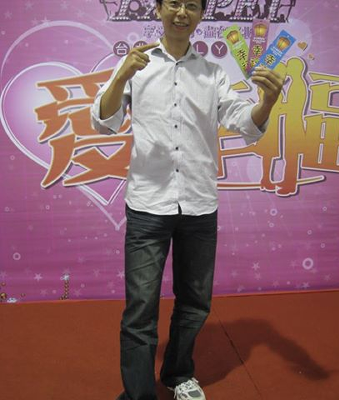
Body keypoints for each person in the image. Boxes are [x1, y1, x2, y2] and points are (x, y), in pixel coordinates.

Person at [91, 0, 284, 398]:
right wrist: (121, 75)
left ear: (201, 14)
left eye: (192, 6)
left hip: (198, 204)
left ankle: (178, 374)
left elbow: (243, 123)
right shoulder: (136, 65)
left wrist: (266, 102)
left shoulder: (213, 73)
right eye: (174, 3)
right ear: (159, 9)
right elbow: (104, 121)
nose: (182, 13)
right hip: (148, 204)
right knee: (140, 307)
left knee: (195, 301)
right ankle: (139, 393)